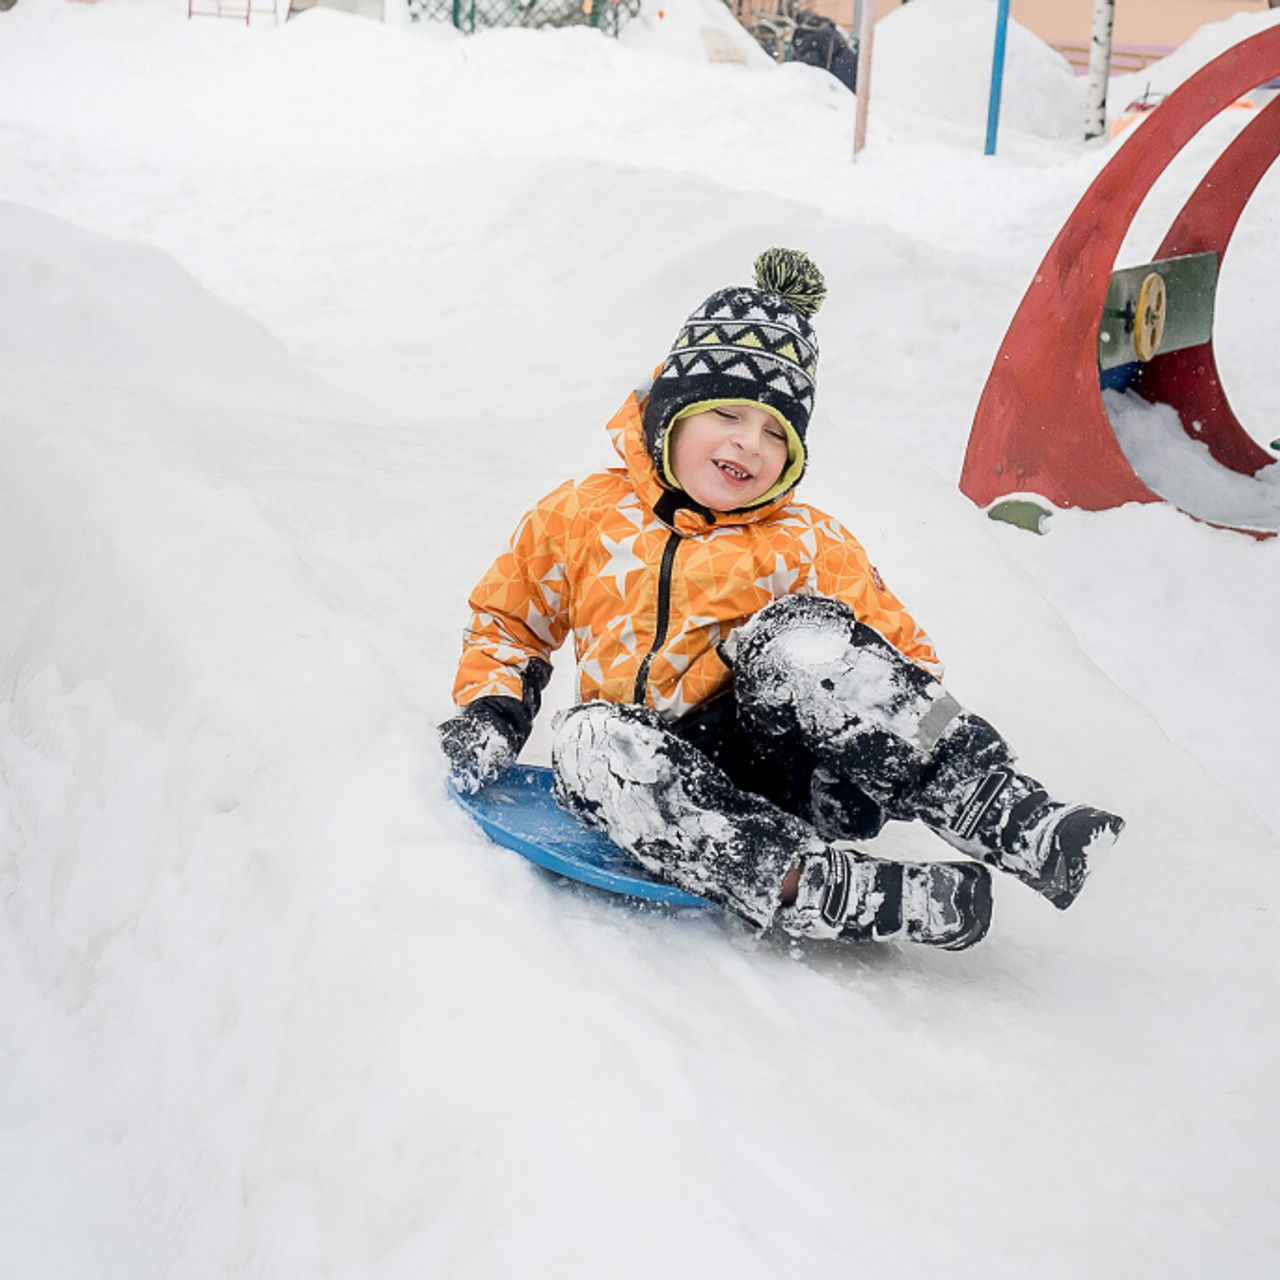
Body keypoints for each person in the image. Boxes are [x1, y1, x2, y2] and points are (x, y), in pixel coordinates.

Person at [439, 249, 1124, 950]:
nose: (749, 443)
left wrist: (857, 758)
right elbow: (509, 618)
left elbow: (906, 665)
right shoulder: (582, 513)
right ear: (669, 412)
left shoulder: (804, 541)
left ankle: (1007, 813)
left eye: (777, 431)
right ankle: (844, 891)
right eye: (727, 413)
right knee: (586, 741)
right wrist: (493, 712)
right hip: (660, 787)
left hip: (789, 769)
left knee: (800, 637)